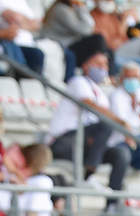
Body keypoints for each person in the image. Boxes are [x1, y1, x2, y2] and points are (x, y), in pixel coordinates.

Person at [47, 52, 133, 202]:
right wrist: (121, 122)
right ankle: (89, 175)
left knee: (121, 154)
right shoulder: (78, 81)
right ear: (86, 65)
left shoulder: (101, 93)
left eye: (104, 65)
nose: (102, 68)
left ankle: (112, 204)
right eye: (97, 64)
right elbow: (89, 105)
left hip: (85, 147)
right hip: (64, 141)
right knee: (107, 124)